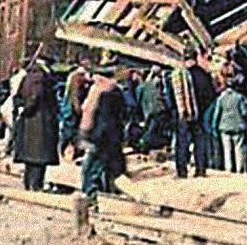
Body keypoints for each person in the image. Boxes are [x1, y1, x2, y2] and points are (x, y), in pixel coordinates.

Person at [78, 59, 126, 196]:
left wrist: (92, 135)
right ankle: (103, 192)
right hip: (110, 136)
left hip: (101, 137)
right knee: (105, 168)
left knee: (91, 168)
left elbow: (99, 117)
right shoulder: (113, 92)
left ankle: (91, 194)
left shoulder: (103, 93)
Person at [13, 54, 60, 191]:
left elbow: (18, 97)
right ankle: (35, 185)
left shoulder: (28, 76)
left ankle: (29, 183)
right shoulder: (40, 78)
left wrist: (22, 109)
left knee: (31, 157)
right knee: (39, 156)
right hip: (39, 121)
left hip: (30, 121)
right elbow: (35, 97)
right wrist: (27, 109)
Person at [171, 48, 215, 178]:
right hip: (199, 114)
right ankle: (200, 170)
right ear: (196, 58)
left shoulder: (178, 75)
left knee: (182, 143)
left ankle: (182, 171)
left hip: (182, 114)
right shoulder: (203, 74)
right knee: (199, 142)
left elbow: (171, 96)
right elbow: (210, 95)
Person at [60, 56, 93, 156]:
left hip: (72, 107)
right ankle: (64, 149)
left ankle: (73, 150)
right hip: (72, 108)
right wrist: (78, 108)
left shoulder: (76, 76)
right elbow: (74, 94)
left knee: (73, 131)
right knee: (70, 131)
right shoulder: (77, 77)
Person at [215, 76, 247, 173]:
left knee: (227, 150)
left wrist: (215, 125)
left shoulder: (221, 98)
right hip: (238, 126)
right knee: (239, 148)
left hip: (224, 126)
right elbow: (244, 112)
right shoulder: (239, 97)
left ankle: (228, 169)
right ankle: (239, 169)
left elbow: (217, 113)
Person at [136, 65, 171, 152]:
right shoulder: (157, 83)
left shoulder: (143, 86)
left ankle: (144, 144)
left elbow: (139, 98)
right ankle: (144, 144)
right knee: (152, 130)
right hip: (157, 110)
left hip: (150, 111)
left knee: (151, 129)